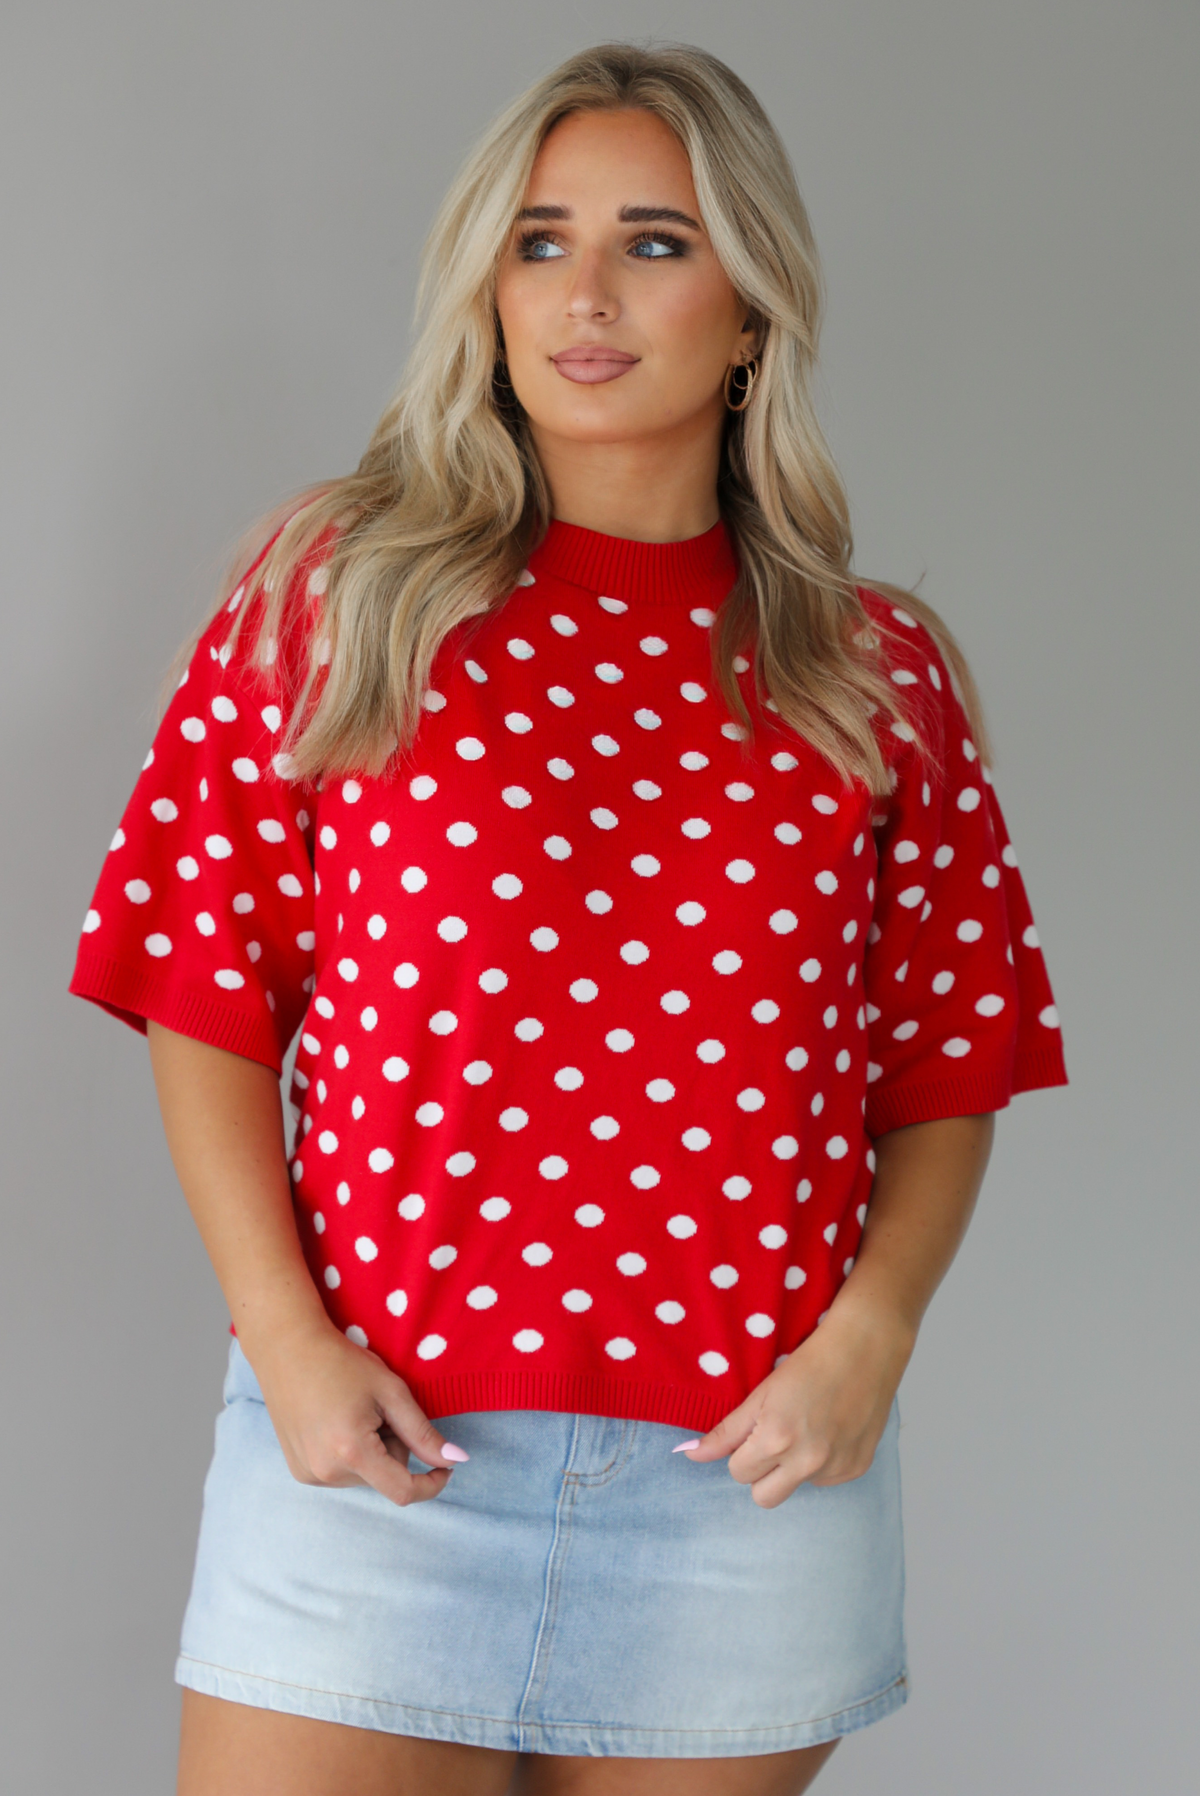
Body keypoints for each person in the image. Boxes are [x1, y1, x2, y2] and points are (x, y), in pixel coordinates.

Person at [70, 40, 1067, 1796]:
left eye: (653, 242)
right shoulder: (342, 599)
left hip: (743, 1494)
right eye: (539, 242)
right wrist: (287, 1344)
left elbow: (946, 1060)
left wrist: (872, 1337)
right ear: (488, 289)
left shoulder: (871, 674)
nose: (584, 293)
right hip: (378, 1459)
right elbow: (203, 983)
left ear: (751, 314)